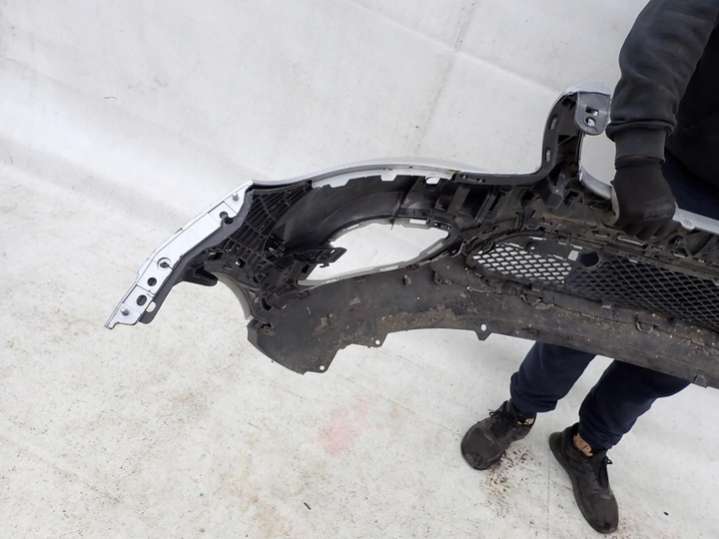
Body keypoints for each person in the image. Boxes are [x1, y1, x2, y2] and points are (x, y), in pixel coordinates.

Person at [460, 1, 719, 534]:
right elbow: (673, 25)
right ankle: (519, 409)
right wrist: (640, 154)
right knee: (586, 314)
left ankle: (586, 445)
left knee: (677, 357)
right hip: (681, 181)